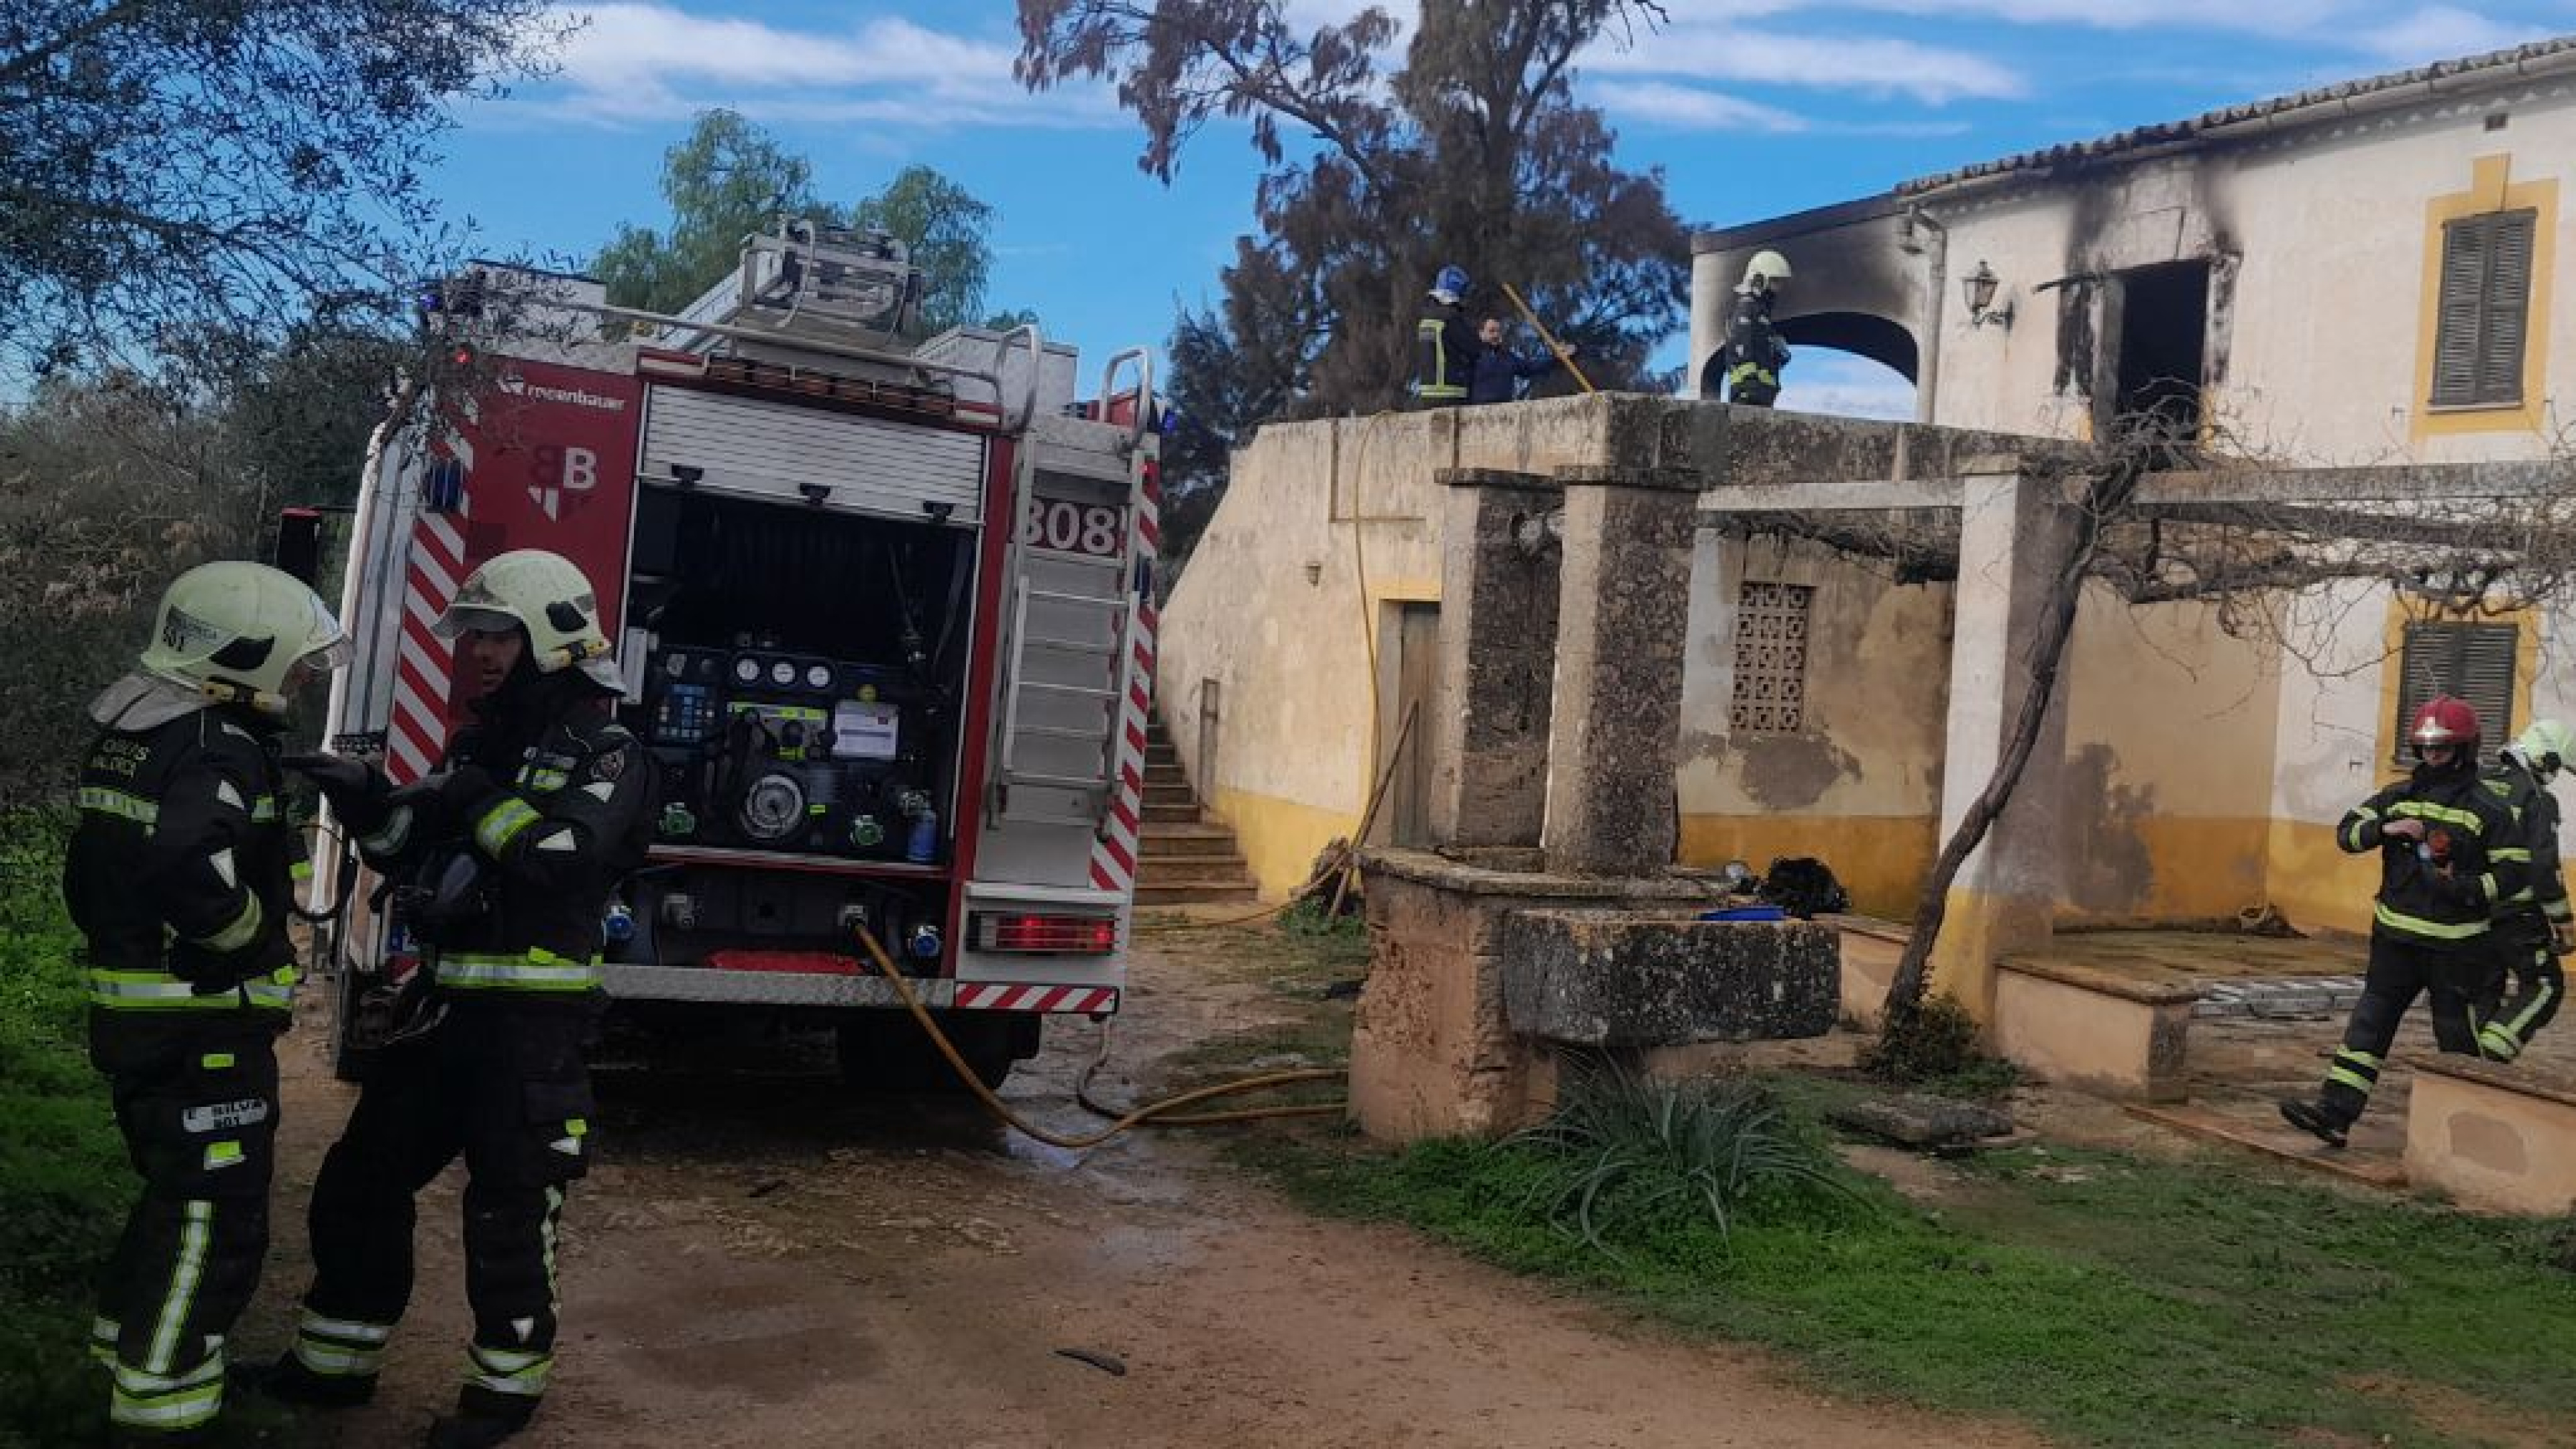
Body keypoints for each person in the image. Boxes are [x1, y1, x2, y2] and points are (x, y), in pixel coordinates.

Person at [250, 549, 655, 1448]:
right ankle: (333, 1365)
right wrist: (368, 805)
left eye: (497, 633)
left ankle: (502, 1396)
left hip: (533, 1035)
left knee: (508, 1212)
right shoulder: (479, 745)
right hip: (443, 1020)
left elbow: (562, 859)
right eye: (474, 634)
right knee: (361, 1180)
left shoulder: (610, 752)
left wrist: (474, 800)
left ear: (550, 638)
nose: (478, 650)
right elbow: (409, 845)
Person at [66, 561, 348, 1445]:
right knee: (212, 1220)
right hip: (200, 1027)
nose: (301, 679)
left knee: (172, 1200)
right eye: (294, 662)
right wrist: (251, 943)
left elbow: (95, 874)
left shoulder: (138, 729)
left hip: (143, 1019)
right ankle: (161, 1412)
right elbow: (190, 864)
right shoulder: (214, 745)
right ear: (244, 655)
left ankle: (122, 1362)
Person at [2279, 696, 2528, 1148]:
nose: (2432, 756)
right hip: (2395, 941)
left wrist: (2464, 887)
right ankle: (2334, 1114)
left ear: (2465, 749)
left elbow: (2513, 875)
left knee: (2456, 1041)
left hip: (2457, 951)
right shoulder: (2398, 797)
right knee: (2368, 1027)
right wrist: (2385, 829)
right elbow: (2347, 834)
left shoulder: (2489, 809)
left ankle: (2473, 1140)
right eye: (2426, 747)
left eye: (2442, 748)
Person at [2475, 718, 2572, 1061]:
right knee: (2545, 987)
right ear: (2544, 758)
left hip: (2470, 909)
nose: (2554, 775)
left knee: (2484, 987)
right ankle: (2493, 1054)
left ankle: (2469, 1064)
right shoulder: (2538, 799)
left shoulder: (2478, 783)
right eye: (2556, 766)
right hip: (2517, 916)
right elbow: (2544, 867)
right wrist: (2564, 921)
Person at [1721, 249, 1793, 407]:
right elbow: (1741, 350)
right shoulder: (1746, 310)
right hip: (1748, 396)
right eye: (1775, 281)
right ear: (1760, 280)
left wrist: (1777, 352)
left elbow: (1763, 356)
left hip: (1763, 396)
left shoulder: (1761, 316)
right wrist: (1750, 386)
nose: (1778, 288)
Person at [1411, 264, 1477, 408]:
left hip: (1428, 393)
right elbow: (1473, 349)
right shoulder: (1451, 317)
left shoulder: (1426, 316)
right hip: (1451, 393)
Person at [1467, 317, 1570, 405]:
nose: (1496, 335)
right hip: (1476, 411)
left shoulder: (1507, 357)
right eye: (1492, 331)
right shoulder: (1472, 356)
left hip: (1504, 410)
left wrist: (1556, 358)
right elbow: (1462, 382)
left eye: (1498, 331)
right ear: (1481, 334)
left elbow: (1531, 367)